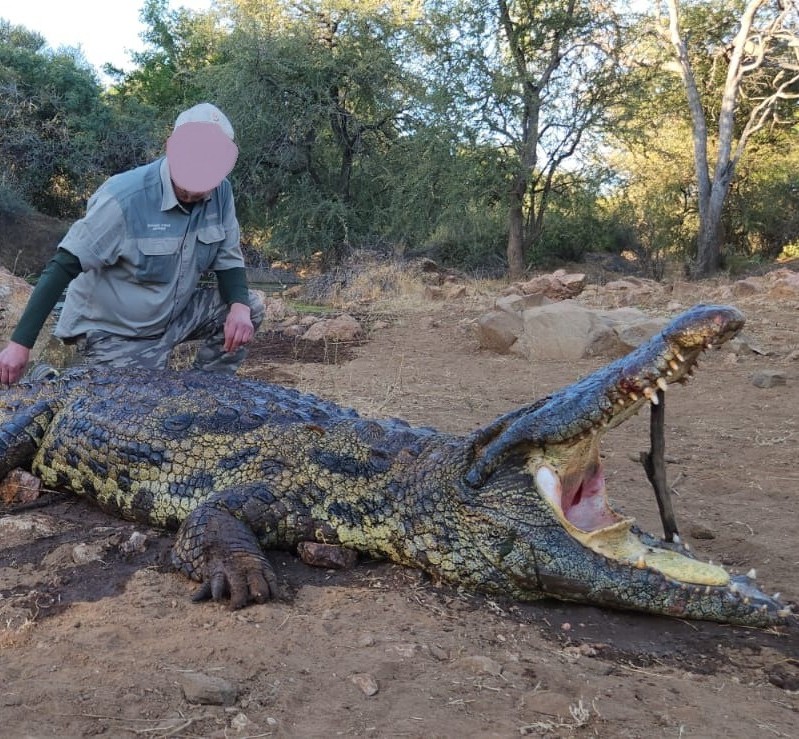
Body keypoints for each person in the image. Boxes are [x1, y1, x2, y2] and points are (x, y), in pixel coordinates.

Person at [0, 102, 264, 386]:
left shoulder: (221, 193)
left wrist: (239, 307)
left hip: (171, 318)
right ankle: (49, 379)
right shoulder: (123, 198)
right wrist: (20, 344)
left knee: (249, 306)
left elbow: (228, 258)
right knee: (135, 403)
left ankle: (205, 390)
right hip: (117, 332)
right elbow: (63, 265)